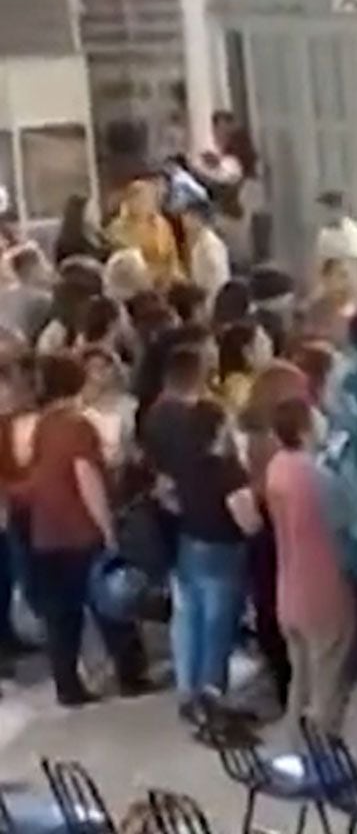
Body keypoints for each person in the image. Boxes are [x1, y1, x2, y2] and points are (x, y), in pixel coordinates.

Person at [20, 352, 149, 706]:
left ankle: (68, 685)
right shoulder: (78, 426)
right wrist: (106, 527)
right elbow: (86, 477)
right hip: (80, 529)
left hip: (47, 529)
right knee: (110, 605)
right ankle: (130, 674)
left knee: (62, 615)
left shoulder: (43, 424)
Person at [140, 342, 251, 724]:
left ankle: (188, 691)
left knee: (188, 616)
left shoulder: (158, 422)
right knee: (218, 622)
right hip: (221, 543)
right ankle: (211, 697)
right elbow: (246, 516)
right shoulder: (225, 467)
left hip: (183, 537)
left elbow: (162, 487)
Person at [262, 396, 357, 734]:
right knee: (327, 680)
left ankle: (296, 747)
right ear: (305, 430)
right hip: (324, 587)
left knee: (300, 679)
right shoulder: (318, 476)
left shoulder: (277, 467)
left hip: (289, 585)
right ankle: (323, 751)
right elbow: (351, 522)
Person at [107, 178, 182, 284]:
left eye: (150, 199)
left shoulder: (162, 225)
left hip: (165, 281)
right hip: (134, 281)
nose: (146, 203)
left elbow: (172, 257)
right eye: (141, 199)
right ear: (130, 201)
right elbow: (126, 262)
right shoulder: (117, 229)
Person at [313, 190, 357, 297]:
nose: (325, 214)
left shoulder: (351, 232)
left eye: (330, 209)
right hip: (336, 293)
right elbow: (323, 268)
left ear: (339, 210)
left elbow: (355, 270)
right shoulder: (324, 234)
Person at [0, 244, 54, 343]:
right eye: (43, 263)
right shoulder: (42, 300)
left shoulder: (4, 295)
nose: (48, 269)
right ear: (33, 268)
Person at [180, 199, 232, 294]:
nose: (183, 219)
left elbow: (218, 275)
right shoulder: (200, 242)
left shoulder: (210, 244)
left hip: (214, 294)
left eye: (187, 215)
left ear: (197, 218)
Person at [54, 193, 111, 264]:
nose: (98, 215)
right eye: (93, 211)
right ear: (82, 216)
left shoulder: (103, 239)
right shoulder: (70, 247)